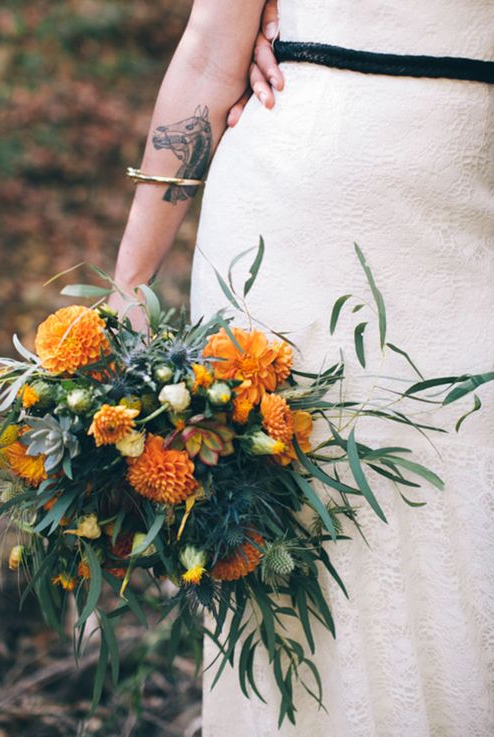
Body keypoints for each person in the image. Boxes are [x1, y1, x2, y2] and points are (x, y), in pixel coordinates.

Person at [111, 1, 494, 735]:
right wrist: (130, 279)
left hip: (467, 221)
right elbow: (207, 52)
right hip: (292, 215)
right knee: (303, 534)